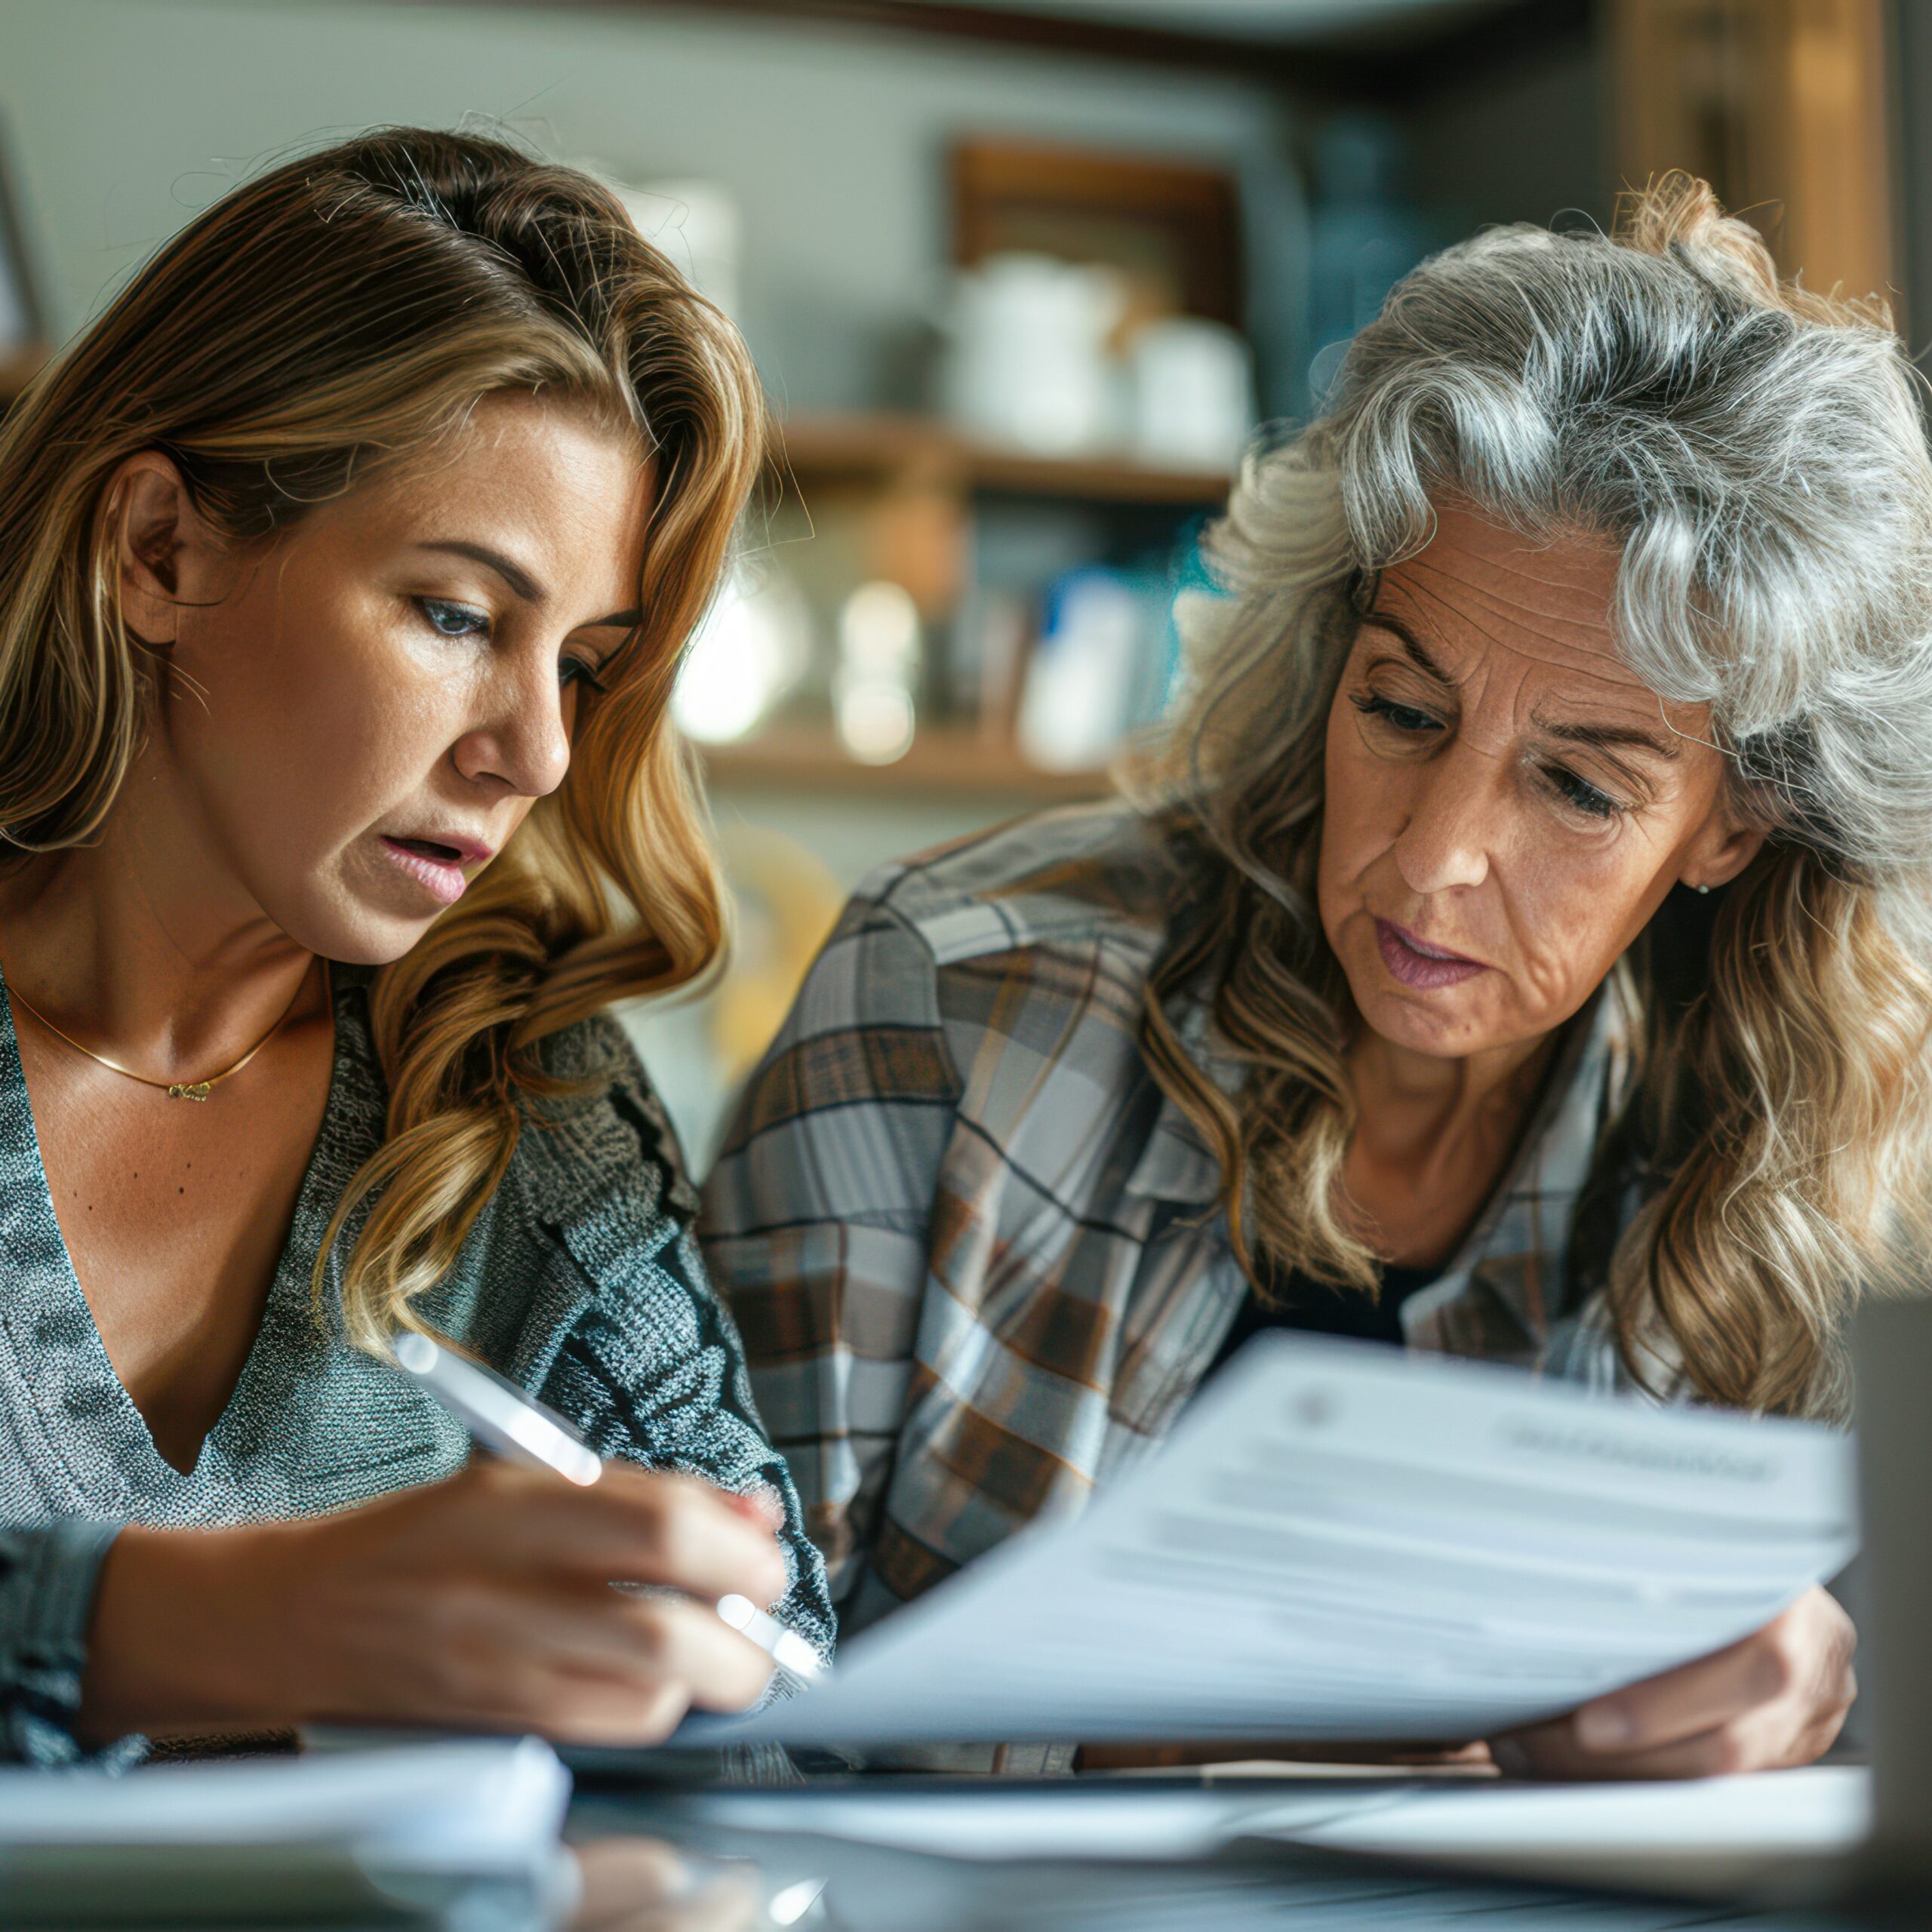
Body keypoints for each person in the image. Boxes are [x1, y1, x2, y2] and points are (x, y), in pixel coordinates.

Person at [705, 177, 1932, 1780]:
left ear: (1731, 825)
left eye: (1574, 787)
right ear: (1323, 653)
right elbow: (706, 1691)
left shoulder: (1786, 1138)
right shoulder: (949, 1006)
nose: (1429, 861)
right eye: (1403, 713)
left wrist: (1812, 1704)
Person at [0, 126, 830, 1765]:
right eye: (457, 614)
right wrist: (227, 1625)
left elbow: (776, 1697)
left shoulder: (514, 1091)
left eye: (583, 663)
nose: (532, 751)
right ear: (161, 550)